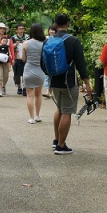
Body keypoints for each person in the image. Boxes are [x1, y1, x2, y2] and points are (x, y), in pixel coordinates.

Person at [40, 13, 92, 154]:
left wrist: (50, 76)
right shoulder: (73, 41)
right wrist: (87, 84)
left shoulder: (48, 41)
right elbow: (81, 64)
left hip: (54, 81)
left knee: (60, 109)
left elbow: (42, 64)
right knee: (67, 112)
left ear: (55, 25)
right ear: (68, 24)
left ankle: (56, 140)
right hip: (69, 81)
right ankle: (61, 146)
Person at [20, 22, 47, 124]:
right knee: (38, 94)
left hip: (28, 70)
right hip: (40, 71)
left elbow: (23, 59)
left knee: (29, 95)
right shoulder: (44, 43)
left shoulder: (25, 43)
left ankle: (31, 118)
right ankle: (37, 115)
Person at [11, 22, 27, 95]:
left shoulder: (27, 37)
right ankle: (19, 87)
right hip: (16, 57)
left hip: (25, 58)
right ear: (17, 30)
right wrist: (15, 45)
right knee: (16, 74)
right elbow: (10, 47)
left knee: (25, 73)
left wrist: (26, 43)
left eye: (22, 29)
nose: (21, 30)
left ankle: (25, 87)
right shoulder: (13, 37)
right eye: (19, 29)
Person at [42, 24, 55, 98]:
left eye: (53, 30)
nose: (52, 31)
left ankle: (50, 91)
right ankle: (47, 91)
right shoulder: (46, 39)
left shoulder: (57, 39)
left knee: (52, 76)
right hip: (47, 59)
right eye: (50, 30)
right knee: (47, 76)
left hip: (54, 60)